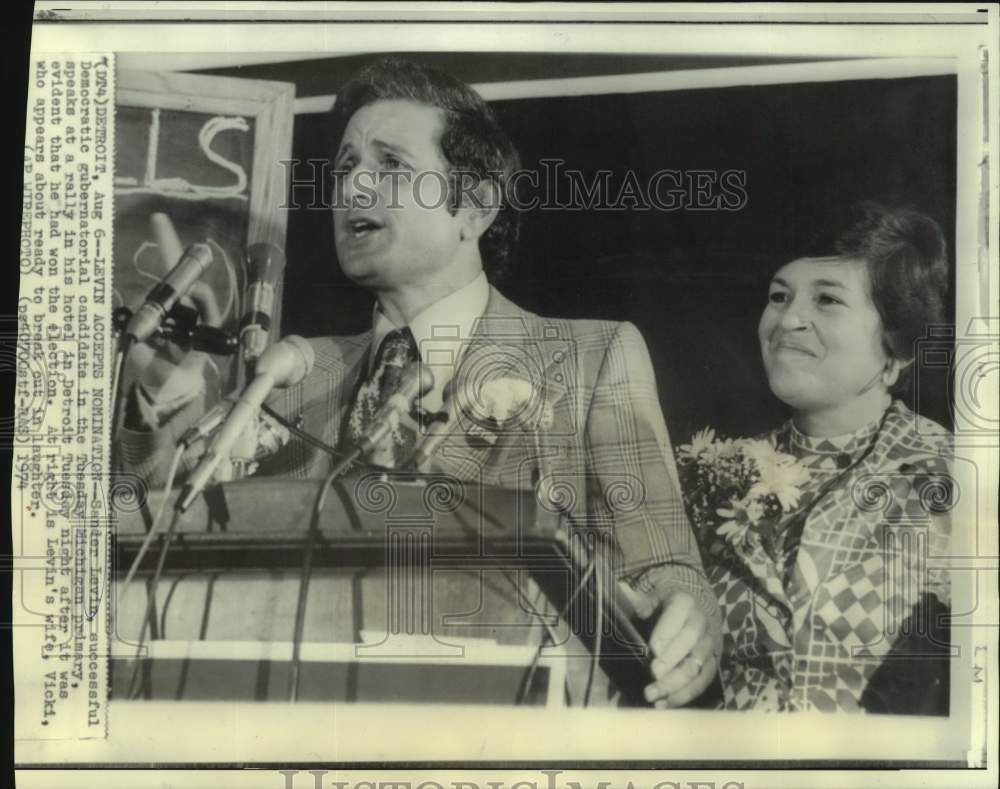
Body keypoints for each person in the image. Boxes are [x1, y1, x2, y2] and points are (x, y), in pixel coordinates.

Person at [118, 57, 721, 708]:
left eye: (391, 166)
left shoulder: (593, 356)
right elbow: (175, 561)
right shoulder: (286, 377)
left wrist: (687, 612)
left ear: (477, 204)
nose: (352, 187)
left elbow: (666, 567)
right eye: (345, 166)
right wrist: (153, 419)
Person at [707, 201, 953, 713]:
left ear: (897, 347)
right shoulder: (713, 477)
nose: (788, 320)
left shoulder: (953, 482)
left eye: (827, 300)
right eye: (779, 296)